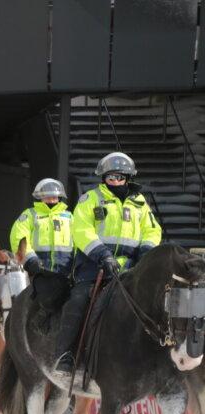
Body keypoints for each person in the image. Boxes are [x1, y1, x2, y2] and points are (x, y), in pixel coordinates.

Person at [54, 152, 162, 374]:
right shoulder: (90, 199)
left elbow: (152, 229)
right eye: (110, 177)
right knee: (78, 300)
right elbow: (81, 229)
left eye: (120, 177)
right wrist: (103, 255)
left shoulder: (140, 203)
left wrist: (146, 251)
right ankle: (65, 355)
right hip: (96, 266)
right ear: (103, 178)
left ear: (127, 178)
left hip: (130, 268)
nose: (115, 182)